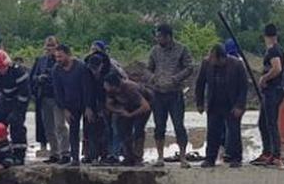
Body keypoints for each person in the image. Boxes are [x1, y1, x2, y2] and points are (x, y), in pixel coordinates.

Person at [147, 24, 193, 168]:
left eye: (160, 36)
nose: (158, 38)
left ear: (168, 36)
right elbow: (148, 69)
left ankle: (183, 157)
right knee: (159, 126)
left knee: (179, 126)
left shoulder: (182, 49)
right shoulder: (154, 51)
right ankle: (160, 157)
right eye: (157, 36)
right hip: (158, 93)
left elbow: (189, 67)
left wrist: (177, 78)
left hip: (175, 94)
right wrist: (153, 78)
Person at [194, 43, 247, 168]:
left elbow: (244, 87)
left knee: (233, 132)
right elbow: (200, 84)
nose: (210, 60)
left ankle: (236, 158)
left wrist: (240, 105)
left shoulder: (237, 65)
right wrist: (200, 103)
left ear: (222, 58)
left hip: (231, 104)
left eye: (213, 58)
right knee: (212, 132)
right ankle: (210, 158)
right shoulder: (206, 64)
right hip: (214, 104)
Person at [0, 49, 30, 165]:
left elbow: (25, 94)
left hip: (19, 100)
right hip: (4, 100)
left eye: (3, 67)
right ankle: (0, 153)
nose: (2, 70)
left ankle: (19, 155)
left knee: (16, 124)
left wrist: (17, 111)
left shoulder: (18, 71)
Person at [52, 44, 93, 167]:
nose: (58, 59)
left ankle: (90, 156)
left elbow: (88, 88)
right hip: (70, 105)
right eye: (56, 57)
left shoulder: (81, 67)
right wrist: (64, 109)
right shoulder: (56, 70)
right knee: (73, 132)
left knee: (89, 131)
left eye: (60, 56)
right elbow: (58, 91)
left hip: (84, 103)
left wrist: (88, 107)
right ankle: (75, 158)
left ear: (68, 55)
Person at [102, 72, 151, 166]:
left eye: (106, 85)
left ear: (114, 85)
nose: (105, 87)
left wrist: (131, 115)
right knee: (122, 130)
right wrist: (119, 110)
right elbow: (108, 104)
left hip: (142, 108)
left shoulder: (130, 88)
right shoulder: (110, 91)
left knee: (138, 130)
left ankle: (138, 157)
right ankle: (128, 156)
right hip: (126, 107)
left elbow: (146, 106)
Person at [31, 36, 67, 163]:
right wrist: (40, 78)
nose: (50, 48)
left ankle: (65, 153)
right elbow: (32, 77)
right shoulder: (40, 60)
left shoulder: (61, 61)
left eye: (52, 46)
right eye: (48, 46)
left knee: (60, 126)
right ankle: (54, 153)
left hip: (57, 98)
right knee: (48, 127)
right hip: (44, 97)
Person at [254, 24, 284, 167]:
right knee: (263, 122)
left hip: (273, 90)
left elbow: (277, 68)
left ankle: (276, 154)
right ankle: (267, 152)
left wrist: (264, 78)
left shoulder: (273, 50)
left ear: (265, 36)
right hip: (273, 91)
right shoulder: (278, 49)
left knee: (270, 123)